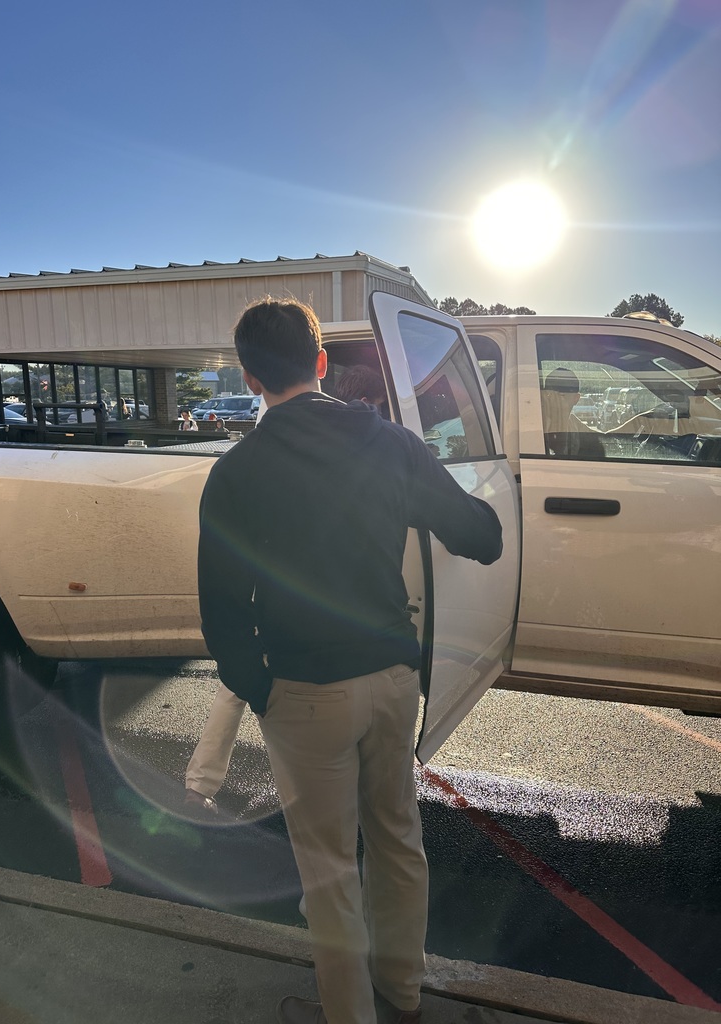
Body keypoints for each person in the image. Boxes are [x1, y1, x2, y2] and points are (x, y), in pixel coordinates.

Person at [196, 297, 503, 1024]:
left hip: (302, 693)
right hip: (394, 680)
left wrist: (257, 688)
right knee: (398, 842)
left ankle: (349, 1014)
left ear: (250, 376)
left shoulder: (237, 472)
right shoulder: (391, 443)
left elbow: (220, 608)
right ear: (322, 362)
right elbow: (480, 536)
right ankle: (403, 992)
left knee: (328, 871)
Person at [184, 366, 388, 815]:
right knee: (253, 690)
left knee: (240, 683)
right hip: (304, 604)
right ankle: (207, 781)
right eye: (374, 406)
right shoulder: (359, 439)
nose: (376, 414)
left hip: (272, 587)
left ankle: (201, 783)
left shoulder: (269, 430)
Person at [541, 367, 605, 459]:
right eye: (549, 394)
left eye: (562, 395)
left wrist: (634, 424)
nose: (556, 400)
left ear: (576, 398)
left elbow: (606, 439)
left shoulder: (576, 426)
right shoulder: (535, 424)